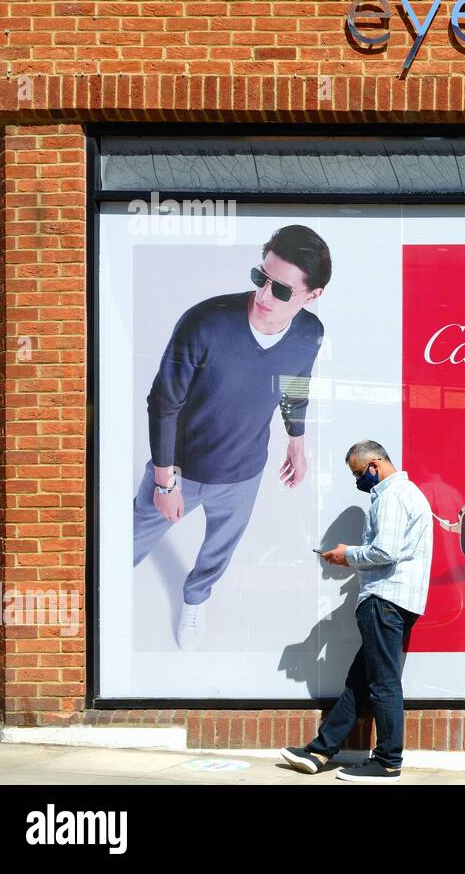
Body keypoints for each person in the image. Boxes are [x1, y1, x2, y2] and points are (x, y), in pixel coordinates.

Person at [132, 225, 329, 650]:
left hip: (244, 472)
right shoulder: (205, 322)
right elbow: (163, 401)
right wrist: (165, 481)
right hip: (180, 469)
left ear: (311, 296)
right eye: (260, 278)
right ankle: (103, 592)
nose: (262, 296)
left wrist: (297, 440)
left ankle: (196, 598)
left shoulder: (310, 333)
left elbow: (295, 383)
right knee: (129, 541)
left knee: (219, 549)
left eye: (280, 290)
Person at [280, 440, 434, 783]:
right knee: (360, 682)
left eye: (358, 473)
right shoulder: (410, 495)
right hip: (396, 601)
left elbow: (386, 550)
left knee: (382, 683)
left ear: (375, 465)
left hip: (385, 600)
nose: (358, 481)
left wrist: (345, 555)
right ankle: (321, 751)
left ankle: (388, 761)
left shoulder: (392, 496)